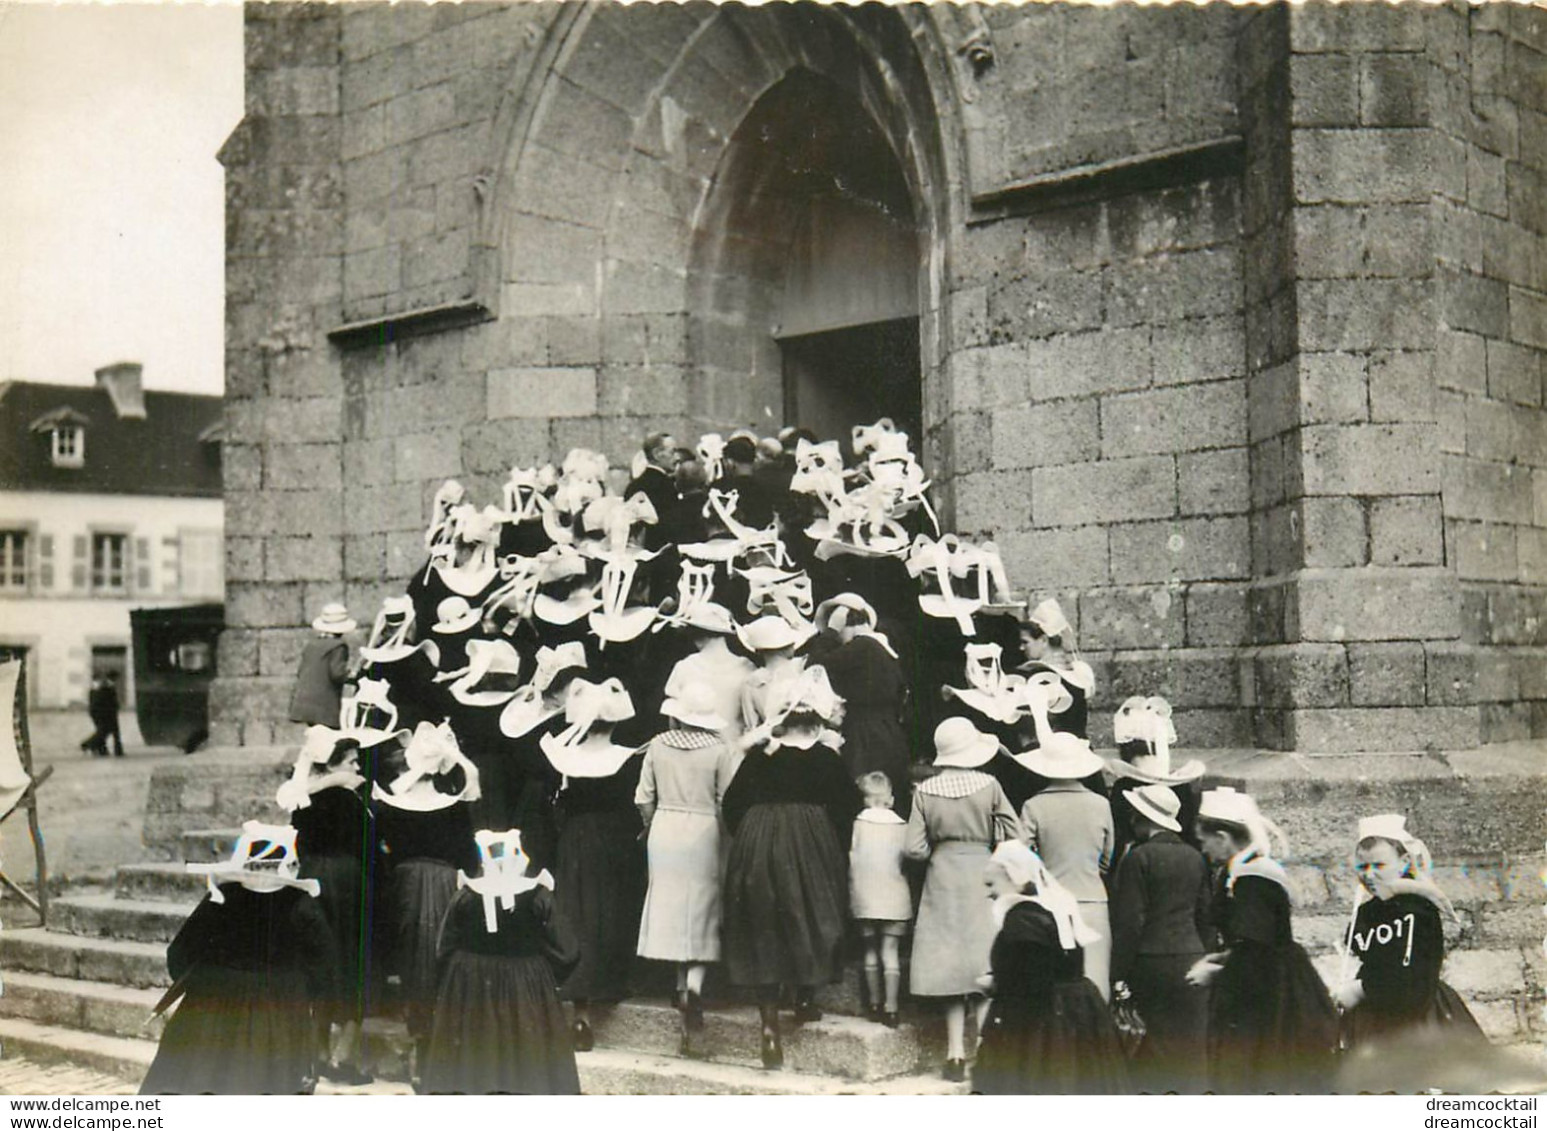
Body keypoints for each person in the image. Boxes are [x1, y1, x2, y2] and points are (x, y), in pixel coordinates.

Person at [721, 671, 861, 1069]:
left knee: (763, 924)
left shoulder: (759, 758)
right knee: (811, 916)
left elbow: (731, 807)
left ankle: (768, 1028)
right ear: (816, 722)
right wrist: (828, 845)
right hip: (812, 844)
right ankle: (804, 995)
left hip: (758, 844)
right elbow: (848, 809)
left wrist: (753, 836)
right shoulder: (826, 759)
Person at [141, 823, 336, 1095]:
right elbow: (324, 962)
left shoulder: (223, 898)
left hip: (216, 1008)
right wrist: (296, 993)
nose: (263, 874)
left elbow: (180, 953)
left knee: (202, 1079)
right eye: (261, 868)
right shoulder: (300, 903)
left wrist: (207, 983)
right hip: (277, 1011)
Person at [1190, 786, 1338, 1094]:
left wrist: (1215, 972)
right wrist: (1221, 959)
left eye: (1205, 841)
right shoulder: (1239, 872)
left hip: (1271, 993)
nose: (1203, 849)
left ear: (1223, 837)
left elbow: (1256, 951)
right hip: (1264, 981)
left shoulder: (1254, 880)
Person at [1331, 813, 1486, 1091]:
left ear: (1403, 863)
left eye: (1379, 864)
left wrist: (1361, 989)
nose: (1369, 874)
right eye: (1362, 866)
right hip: (1374, 1010)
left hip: (1415, 1007)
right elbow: (1367, 952)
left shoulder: (1417, 910)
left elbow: (1409, 970)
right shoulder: (1368, 911)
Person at [419, 830, 580, 1095]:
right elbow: (568, 951)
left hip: (470, 986)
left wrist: (457, 980)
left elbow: (443, 948)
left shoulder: (466, 895)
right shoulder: (538, 896)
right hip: (524, 984)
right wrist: (544, 979)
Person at [907, 716, 1022, 1082]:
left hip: (942, 876)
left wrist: (936, 850)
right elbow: (1013, 833)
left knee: (950, 968)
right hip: (982, 872)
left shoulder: (925, 791)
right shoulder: (989, 785)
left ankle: (954, 1054)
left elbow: (913, 848)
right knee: (984, 961)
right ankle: (985, 1050)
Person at [635, 681, 744, 1052]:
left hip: (665, 827)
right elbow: (726, 800)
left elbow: (643, 798)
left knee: (669, 904)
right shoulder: (720, 750)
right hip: (703, 828)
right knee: (702, 906)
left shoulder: (658, 745)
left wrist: (651, 825)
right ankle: (695, 985)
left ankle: (680, 986)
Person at [973, 840, 1130, 1095]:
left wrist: (994, 983)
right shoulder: (1057, 908)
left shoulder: (1022, 919)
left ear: (1016, 879)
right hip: (1079, 1011)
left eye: (992, 884)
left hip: (1042, 1020)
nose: (989, 893)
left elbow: (1031, 981)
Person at [541, 678, 647, 1052]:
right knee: (611, 909)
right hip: (614, 839)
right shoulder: (627, 760)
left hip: (575, 838)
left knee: (577, 911)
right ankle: (609, 983)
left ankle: (580, 1010)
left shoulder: (565, 758)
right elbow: (636, 807)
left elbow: (558, 805)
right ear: (615, 722)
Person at [279, 726, 382, 1086]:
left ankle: (320, 1053)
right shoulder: (353, 800)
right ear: (336, 765)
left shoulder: (303, 801)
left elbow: (297, 841)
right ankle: (344, 1059)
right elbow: (370, 848)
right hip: (348, 883)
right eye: (352, 761)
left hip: (313, 880)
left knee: (322, 963)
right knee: (354, 963)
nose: (357, 768)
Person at [1108, 783, 1212, 1094]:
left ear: (1143, 817)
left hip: (1150, 960)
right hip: (1191, 955)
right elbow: (1205, 916)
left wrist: (1118, 975)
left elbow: (1130, 922)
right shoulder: (1195, 857)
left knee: (1153, 1046)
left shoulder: (1139, 858)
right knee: (1191, 1046)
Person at [1017, 732, 1115, 1001]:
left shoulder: (1033, 806)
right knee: (1096, 979)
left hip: (1051, 901)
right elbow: (1107, 858)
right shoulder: (1101, 805)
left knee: (1052, 980)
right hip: (1093, 898)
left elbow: (1019, 858)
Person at [814, 594, 912, 817]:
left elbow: (817, 667)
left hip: (866, 734)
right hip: (886, 730)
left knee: (861, 797)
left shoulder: (863, 646)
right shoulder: (880, 645)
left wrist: (828, 634)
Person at [849, 770, 911, 1027]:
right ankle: (892, 1007)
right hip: (894, 895)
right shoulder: (902, 826)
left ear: (864, 799)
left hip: (864, 895)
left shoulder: (858, 824)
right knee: (890, 951)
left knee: (870, 949)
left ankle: (874, 1003)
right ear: (891, 799)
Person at [289, 603, 357, 729]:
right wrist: (352, 675)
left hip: (305, 699)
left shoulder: (312, 645)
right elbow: (337, 673)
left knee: (316, 733)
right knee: (329, 735)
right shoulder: (338, 646)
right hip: (324, 703)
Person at [82, 673, 124, 758]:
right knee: (105, 731)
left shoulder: (100, 688)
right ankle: (88, 745)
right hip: (106, 713)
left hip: (106, 712)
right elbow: (104, 701)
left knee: (105, 731)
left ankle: (103, 750)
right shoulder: (104, 688)